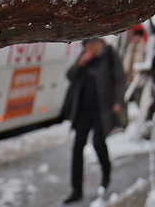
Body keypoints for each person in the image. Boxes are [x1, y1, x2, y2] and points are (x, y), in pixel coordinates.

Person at [61, 37, 127, 203]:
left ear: (98, 44)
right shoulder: (85, 55)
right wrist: (80, 63)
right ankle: (76, 189)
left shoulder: (110, 54)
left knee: (98, 143)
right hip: (83, 109)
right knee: (77, 148)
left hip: (102, 109)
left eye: (89, 48)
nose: (87, 51)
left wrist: (118, 101)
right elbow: (69, 75)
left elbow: (119, 78)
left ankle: (106, 172)